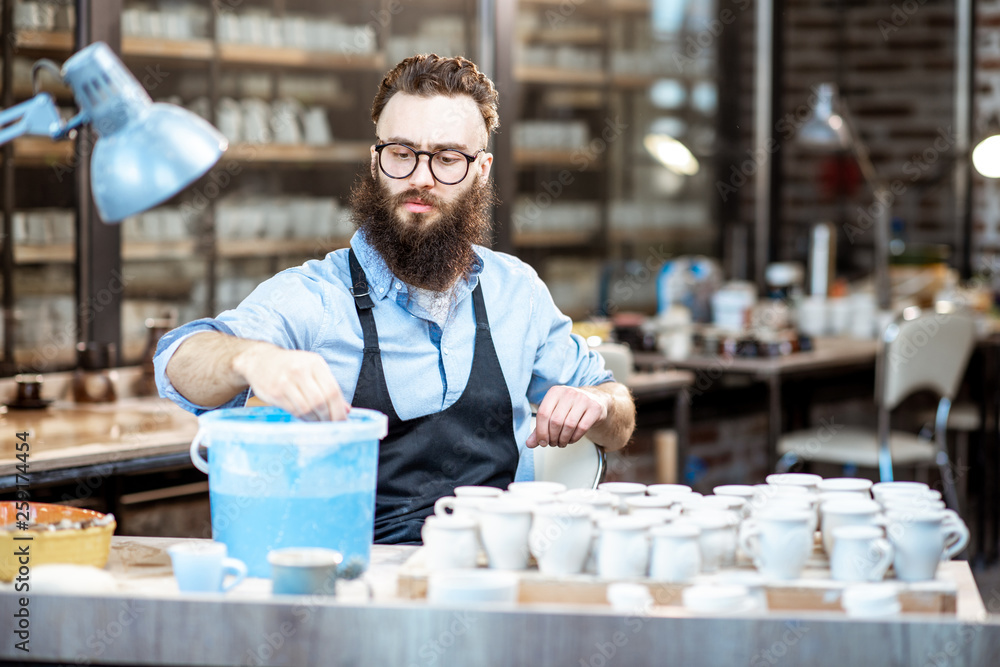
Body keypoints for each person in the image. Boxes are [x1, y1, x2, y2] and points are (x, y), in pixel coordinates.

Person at [155, 54, 636, 543]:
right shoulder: (318, 297)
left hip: (493, 575)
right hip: (360, 580)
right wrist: (253, 359)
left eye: (448, 158)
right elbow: (178, 362)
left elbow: (618, 421)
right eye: (402, 153)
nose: (421, 177)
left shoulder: (517, 292)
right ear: (375, 160)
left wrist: (597, 402)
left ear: (482, 170)